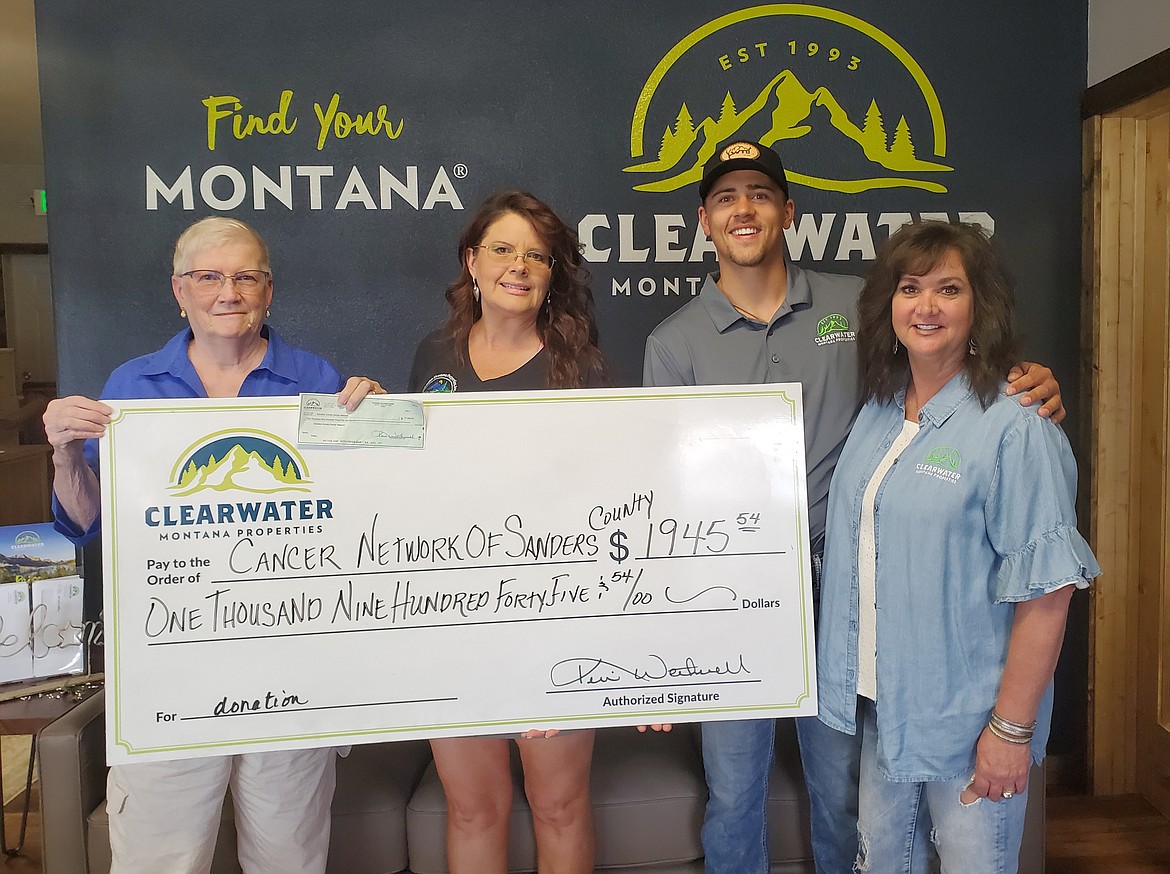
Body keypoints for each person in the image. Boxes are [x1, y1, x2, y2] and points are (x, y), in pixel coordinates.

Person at [641, 141, 1065, 874]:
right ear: (704, 221)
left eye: (761, 194)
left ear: (788, 212)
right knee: (733, 788)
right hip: (730, 594)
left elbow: (951, 374)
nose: (744, 209)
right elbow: (660, 486)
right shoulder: (672, 341)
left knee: (842, 789)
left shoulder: (857, 303)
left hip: (844, 588)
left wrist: (1026, 377)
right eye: (726, 197)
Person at [43, 216, 383, 874]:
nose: (228, 291)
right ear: (179, 289)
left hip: (289, 663)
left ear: (269, 290)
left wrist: (379, 426)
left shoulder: (317, 379)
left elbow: (359, 514)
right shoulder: (130, 388)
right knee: (157, 860)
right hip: (168, 664)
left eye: (246, 276)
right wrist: (63, 456)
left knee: (289, 857)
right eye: (209, 276)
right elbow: (86, 522)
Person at [815, 220, 1099, 872]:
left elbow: (1049, 590)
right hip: (887, 710)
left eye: (949, 289)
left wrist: (1009, 731)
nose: (927, 306)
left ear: (981, 305)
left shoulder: (1017, 424)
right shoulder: (880, 409)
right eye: (911, 288)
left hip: (971, 720)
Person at [409, 189, 608, 873]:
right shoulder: (433, 355)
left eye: (537, 254)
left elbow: (607, 508)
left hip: (550, 621)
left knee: (558, 805)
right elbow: (412, 489)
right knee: (472, 809)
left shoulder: (581, 369)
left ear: (553, 273)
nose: (518, 265)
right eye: (502, 248)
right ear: (472, 259)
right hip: (452, 620)